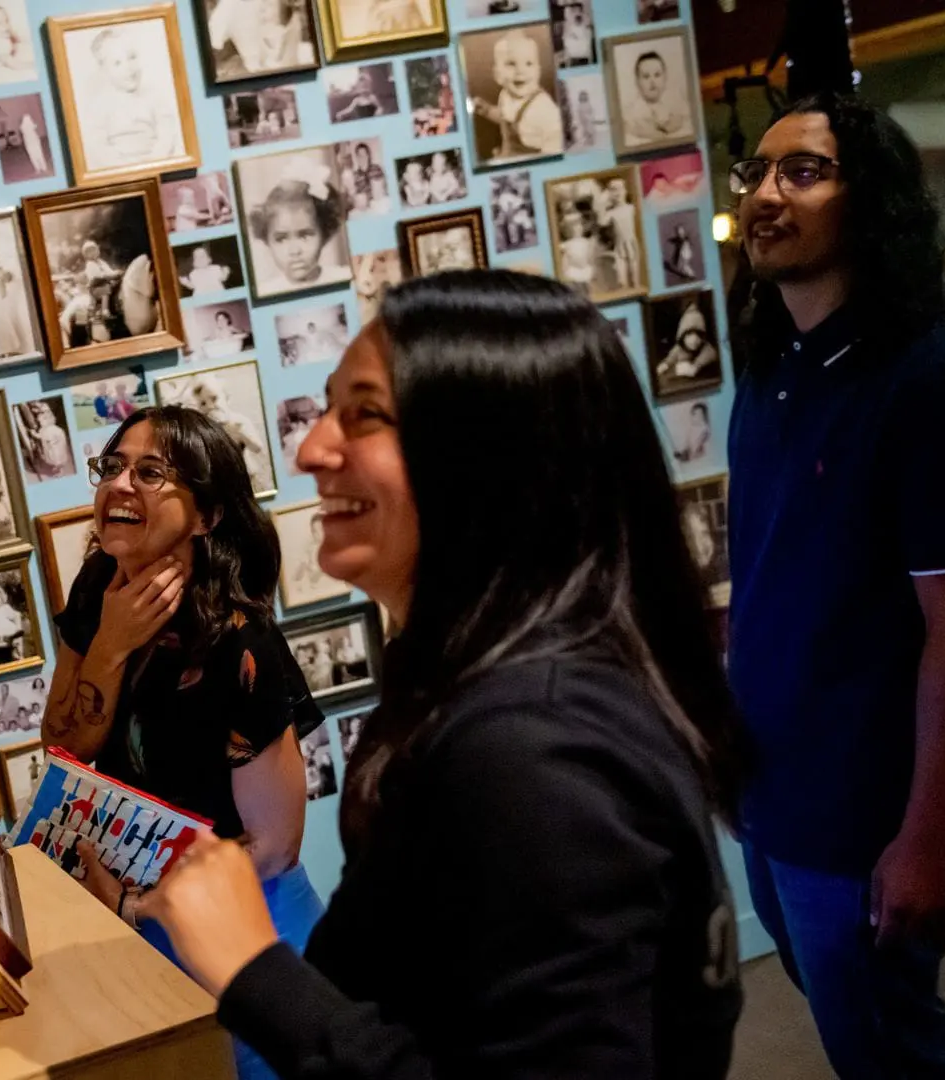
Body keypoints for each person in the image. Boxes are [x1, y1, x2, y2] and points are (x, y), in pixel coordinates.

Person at [140, 269, 744, 1077]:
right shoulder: (474, 692)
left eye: (367, 415)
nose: (313, 447)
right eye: (327, 409)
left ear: (489, 459)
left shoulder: (536, 752)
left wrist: (255, 971)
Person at [726, 92, 945, 1078]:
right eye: (757, 173)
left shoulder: (931, 380)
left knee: (896, 1059)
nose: (768, 194)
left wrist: (928, 837)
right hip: (775, 801)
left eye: (803, 171)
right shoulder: (773, 371)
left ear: (872, 200)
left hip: (865, 816)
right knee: (870, 1047)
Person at [44, 406, 324, 1080]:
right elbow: (65, 745)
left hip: (249, 937)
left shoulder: (240, 643)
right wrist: (109, 644)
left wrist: (135, 903)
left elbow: (275, 845)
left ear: (207, 516)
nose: (120, 486)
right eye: (111, 467)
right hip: (135, 928)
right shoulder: (95, 594)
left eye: (151, 473)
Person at [246, 161, 349, 295]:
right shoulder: (265, 292)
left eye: (305, 236)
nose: (294, 251)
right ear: (267, 240)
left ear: (324, 234)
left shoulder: (343, 278)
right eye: (281, 239)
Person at [83, 28, 181, 167]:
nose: (129, 67)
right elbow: (98, 145)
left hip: (156, 162)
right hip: (121, 170)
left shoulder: (153, 96)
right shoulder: (100, 105)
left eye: (132, 57)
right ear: (104, 71)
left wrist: (155, 161)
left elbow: (167, 132)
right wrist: (125, 168)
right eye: (117, 63)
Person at [471, 31, 562, 160]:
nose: (520, 71)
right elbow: (505, 118)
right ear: (498, 75)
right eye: (511, 64)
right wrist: (488, 111)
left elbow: (555, 138)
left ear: (538, 72)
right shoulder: (505, 95)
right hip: (507, 155)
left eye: (529, 63)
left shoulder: (543, 108)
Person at [623, 50, 690, 144]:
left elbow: (682, 121)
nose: (652, 81)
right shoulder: (632, 112)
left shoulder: (675, 104)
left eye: (657, 75)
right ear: (637, 82)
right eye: (646, 77)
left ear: (665, 78)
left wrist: (667, 128)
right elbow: (630, 128)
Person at [671, 400, 710, 465]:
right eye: (694, 414)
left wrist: (691, 455)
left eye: (698, 414)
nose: (695, 417)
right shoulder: (692, 429)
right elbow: (688, 446)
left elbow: (699, 449)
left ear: (703, 416)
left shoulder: (704, 430)